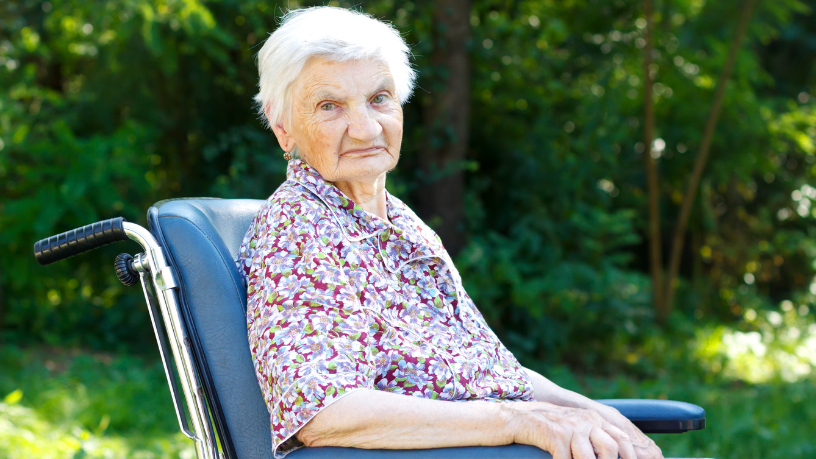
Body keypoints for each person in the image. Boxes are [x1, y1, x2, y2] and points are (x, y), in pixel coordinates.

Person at [236, 6, 663, 459]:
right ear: (283, 128)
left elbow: (495, 371)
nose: (364, 128)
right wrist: (516, 421)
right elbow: (325, 412)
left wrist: (597, 415)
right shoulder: (300, 227)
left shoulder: (403, 226)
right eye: (329, 106)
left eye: (379, 98)